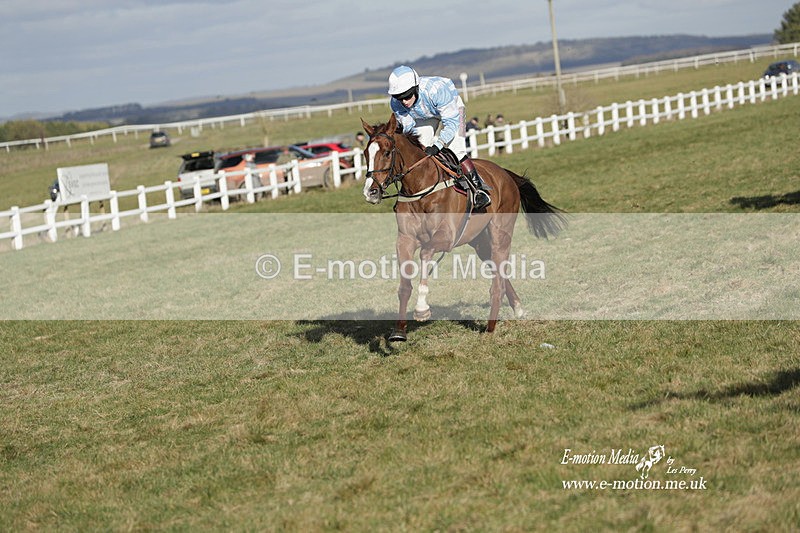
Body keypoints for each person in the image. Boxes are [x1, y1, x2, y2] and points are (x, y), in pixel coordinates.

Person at [387, 65, 491, 209]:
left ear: (416, 88)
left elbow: (451, 123)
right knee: (419, 150)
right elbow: (409, 129)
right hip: (424, 116)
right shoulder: (396, 103)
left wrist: (438, 145)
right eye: (399, 97)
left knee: (457, 149)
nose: (404, 101)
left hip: (452, 112)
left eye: (407, 96)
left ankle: (479, 189)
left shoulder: (436, 90)